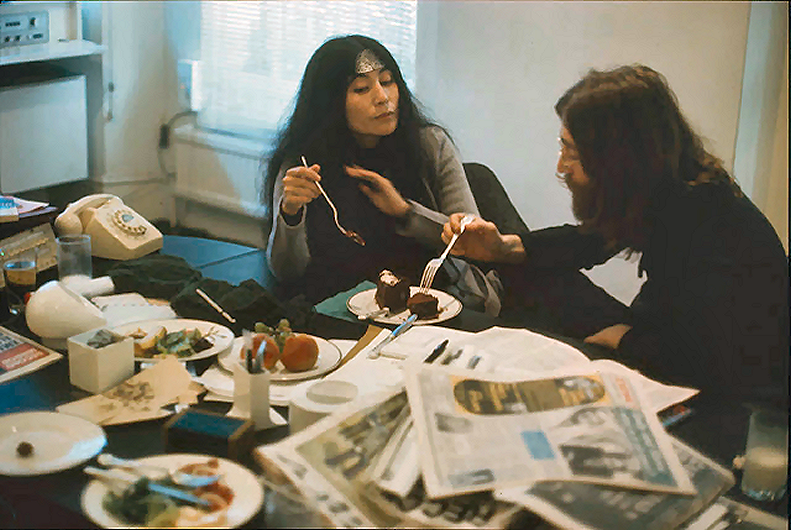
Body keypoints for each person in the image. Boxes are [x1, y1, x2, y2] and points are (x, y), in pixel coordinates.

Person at [443, 65, 789, 403]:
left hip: (709, 376)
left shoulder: (702, 222)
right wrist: (502, 247)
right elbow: (590, 241)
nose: (561, 166)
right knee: (527, 259)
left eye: (572, 152)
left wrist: (625, 340)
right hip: (669, 335)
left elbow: (712, 364)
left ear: (617, 161)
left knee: (535, 289)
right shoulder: (665, 183)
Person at [264, 35, 497, 309]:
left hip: (429, 307)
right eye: (362, 89)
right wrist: (290, 214)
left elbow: (473, 243)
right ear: (330, 103)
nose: (383, 98)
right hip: (335, 312)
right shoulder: (303, 161)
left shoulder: (430, 145)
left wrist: (406, 212)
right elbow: (286, 273)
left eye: (387, 82)